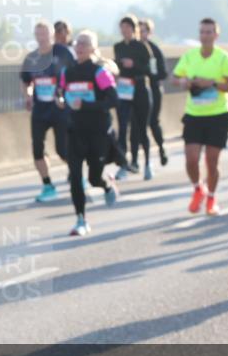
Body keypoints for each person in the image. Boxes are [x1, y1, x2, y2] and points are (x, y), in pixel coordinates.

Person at [171, 18, 228, 216]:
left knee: (212, 161)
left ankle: (212, 197)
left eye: (209, 32)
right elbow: (174, 78)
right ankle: (198, 188)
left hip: (218, 115)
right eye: (202, 32)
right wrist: (185, 81)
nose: (205, 36)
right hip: (194, 114)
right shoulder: (190, 56)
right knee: (191, 159)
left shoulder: (224, 58)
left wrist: (212, 83)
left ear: (216, 35)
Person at [59, 29, 118, 236]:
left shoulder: (99, 72)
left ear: (93, 48)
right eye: (78, 43)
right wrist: (61, 100)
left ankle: (106, 185)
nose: (80, 46)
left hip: (97, 131)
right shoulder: (68, 72)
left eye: (85, 43)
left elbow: (112, 100)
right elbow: (62, 92)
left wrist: (85, 104)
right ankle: (81, 220)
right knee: (75, 176)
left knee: (93, 178)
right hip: (75, 131)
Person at [19, 22, 74, 202]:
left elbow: (75, 74)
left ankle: (77, 173)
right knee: (37, 150)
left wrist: (66, 96)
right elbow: (26, 80)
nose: (41, 37)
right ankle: (48, 185)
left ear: (51, 35)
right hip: (40, 109)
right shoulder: (31, 58)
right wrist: (28, 95)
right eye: (38, 34)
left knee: (63, 150)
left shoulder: (63, 53)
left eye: (44, 34)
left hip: (59, 108)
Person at [112, 15, 154, 180]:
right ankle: (123, 164)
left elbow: (151, 70)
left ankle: (148, 164)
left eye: (128, 28)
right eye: (122, 28)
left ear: (134, 29)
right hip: (124, 89)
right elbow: (116, 65)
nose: (125, 31)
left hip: (141, 88)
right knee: (122, 128)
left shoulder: (142, 47)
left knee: (142, 128)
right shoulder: (118, 47)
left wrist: (134, 65)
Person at [138, 18, 168, 166]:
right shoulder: (132, 49)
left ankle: (161, 148)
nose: (141, 34)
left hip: (154, 89)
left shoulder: (154, 50)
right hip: (137, 91)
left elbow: (163, 73)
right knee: (137, 124)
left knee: (153, 122)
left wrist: (148, 74)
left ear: (149, 32)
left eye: (143, 31)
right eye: (138, 30)